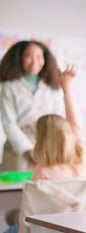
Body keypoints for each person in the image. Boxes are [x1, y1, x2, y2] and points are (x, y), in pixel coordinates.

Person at [0, 65, 84, 233]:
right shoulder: (80, 165)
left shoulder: (41, 173)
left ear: (40, 141)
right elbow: (77, 126)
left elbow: (27, 220)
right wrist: (67, 88)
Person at [0, 40, 65, 172]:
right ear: (19, 59)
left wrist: (53, 144)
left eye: (39, 56)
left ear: (45, 60)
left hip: (48, 141)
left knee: (46, 184)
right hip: (19, 145)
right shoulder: (9, 87)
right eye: (28, 56)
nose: (34, 61)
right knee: (17, 187)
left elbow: (59, 116)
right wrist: (29, 150)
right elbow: (8, 123)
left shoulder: (53, 87)